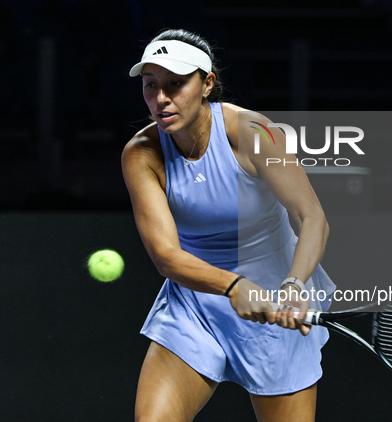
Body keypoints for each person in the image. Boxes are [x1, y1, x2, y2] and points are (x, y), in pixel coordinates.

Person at [122, 29, 336, 422]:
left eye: (176, 84)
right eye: (151, 85)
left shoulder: (253, 132)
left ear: (207, 84)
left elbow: (312, 218)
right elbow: (167, 256)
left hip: (277, 291)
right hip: (196, 301)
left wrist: (294, 285)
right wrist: (232, 286)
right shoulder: (141, 154)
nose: (161, 98)